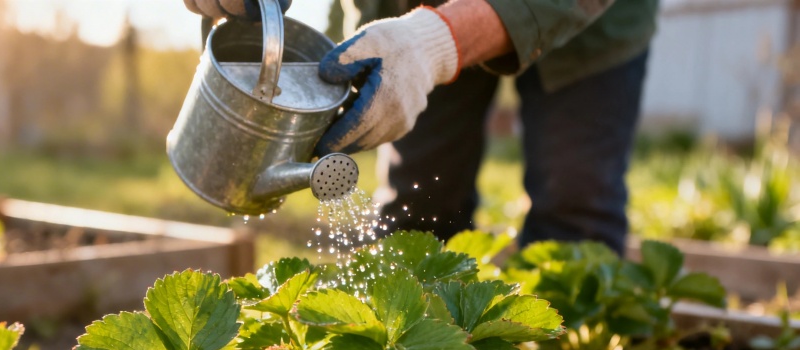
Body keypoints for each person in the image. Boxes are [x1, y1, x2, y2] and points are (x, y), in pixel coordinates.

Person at [183, 0, 658, 255]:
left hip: (584, 22)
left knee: (575, 205)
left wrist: (435, 43)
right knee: (418, 213)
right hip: (409, 11)